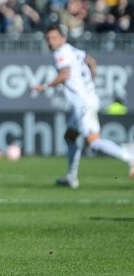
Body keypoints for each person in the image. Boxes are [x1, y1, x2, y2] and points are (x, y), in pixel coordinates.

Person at [31, 25, 134, 188]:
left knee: (93, 142)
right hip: (87, 99)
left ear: (62, 39)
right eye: (48, 39)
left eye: (54, 38)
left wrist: (44, 86)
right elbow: (92, 62)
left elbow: (65, 74)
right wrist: (89, 83)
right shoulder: (74, 51)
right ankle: (71, 177)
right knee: (70, 136)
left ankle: (129, 156)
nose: (50, 42)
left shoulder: (61, 53)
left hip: (82, 104)